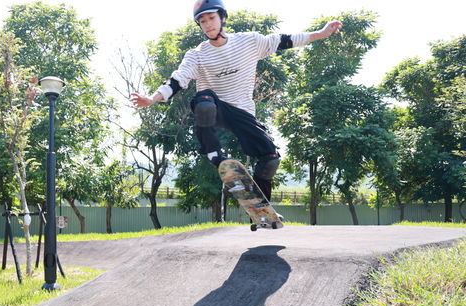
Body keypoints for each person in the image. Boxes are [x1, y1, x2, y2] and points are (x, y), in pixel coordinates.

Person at [131, 0, 343, 201]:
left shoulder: (249, 41)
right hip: (216, 109)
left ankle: (260, 205)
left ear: (222, 18)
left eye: (211, 18)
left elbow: (285, 40)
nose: (207, 25)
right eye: (202, 21)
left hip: (243, 112)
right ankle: (213, 153)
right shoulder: (197, 55)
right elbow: (178, 79)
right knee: (203, 101)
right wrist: (152, 99)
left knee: (270, 158)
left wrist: (322, 33)